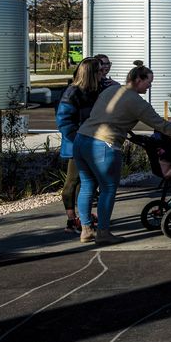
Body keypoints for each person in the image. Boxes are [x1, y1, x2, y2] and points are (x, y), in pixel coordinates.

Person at [74, 61, 171, 244]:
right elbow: (161, 125)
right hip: (104, 144)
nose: (150, 86)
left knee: (87, 185)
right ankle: (103, 232)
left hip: (81, 140)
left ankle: (86, 229)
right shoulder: (137, 102)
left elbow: (108, 114)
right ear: (138, 79)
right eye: (148, 82)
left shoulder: (110, 90)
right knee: (108, 189)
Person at [56, 57, 102, 233]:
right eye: (99, 70)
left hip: (90, 143)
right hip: (76, 145)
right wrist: (79, 140)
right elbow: (64, 121)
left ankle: (84, 218)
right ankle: (71, 220)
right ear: (91, 73)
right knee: (72, 182)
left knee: (86, 183)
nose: (103, 73)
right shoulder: (72, 93)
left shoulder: (94, 91)